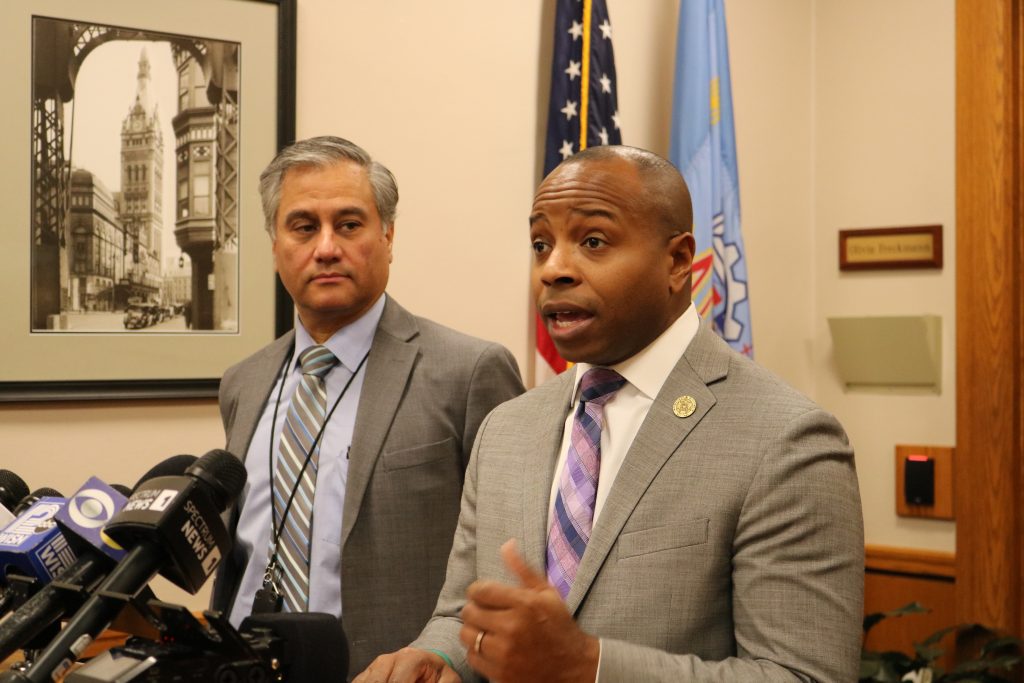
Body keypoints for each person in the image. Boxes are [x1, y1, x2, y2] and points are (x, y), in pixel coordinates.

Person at [355, 145, 864, 682]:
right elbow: (463, 615)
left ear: (677, 261)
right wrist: (435, 657)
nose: (553, 269)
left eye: (593, 241)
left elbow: (804, 676)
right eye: (540, 244)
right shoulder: (505, 430)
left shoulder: (787, 440)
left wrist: (589, 667)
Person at [212, 136, 525, 675]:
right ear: (274, 245)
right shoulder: (244, 382)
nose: (327, 247)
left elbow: (513, 558)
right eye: (304, 226)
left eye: (349, 224)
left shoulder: (469, 371)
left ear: (388, 235)